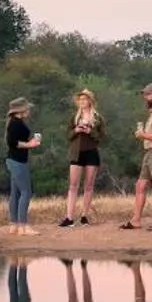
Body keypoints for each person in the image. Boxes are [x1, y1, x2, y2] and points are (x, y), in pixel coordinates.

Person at [122, 83, 152, 233]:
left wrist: (143, 135)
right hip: (149, 151)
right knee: (140, 185)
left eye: (149, 94)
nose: (146, 97)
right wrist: (143, 135)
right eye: (145, 94)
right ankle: (136, 220)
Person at [60, 89, 105, 227]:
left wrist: (90, 131)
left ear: (90, 101)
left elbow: (102, 137)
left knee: (89, 185)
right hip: (76, 152)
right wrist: (76, 130)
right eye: (80, 99)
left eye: (85, 99)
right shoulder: (74, 117)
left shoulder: (98, 118)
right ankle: (69, 217)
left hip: (91, 152)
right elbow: (67, 135)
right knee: (73, 185)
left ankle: (85, 216)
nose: (82, 102)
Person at [4, 98, 42, 235]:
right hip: (18, 161)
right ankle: (23, 226)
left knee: (16, 192)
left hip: (15, 159)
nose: (29, 111)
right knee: (26, 192)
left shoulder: (15, 123)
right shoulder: (15, 124)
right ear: (20, 110)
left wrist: (30, 142)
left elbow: (16, 141)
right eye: (27, 109)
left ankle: (14, 224)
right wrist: (29, 145)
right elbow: (13, 143)